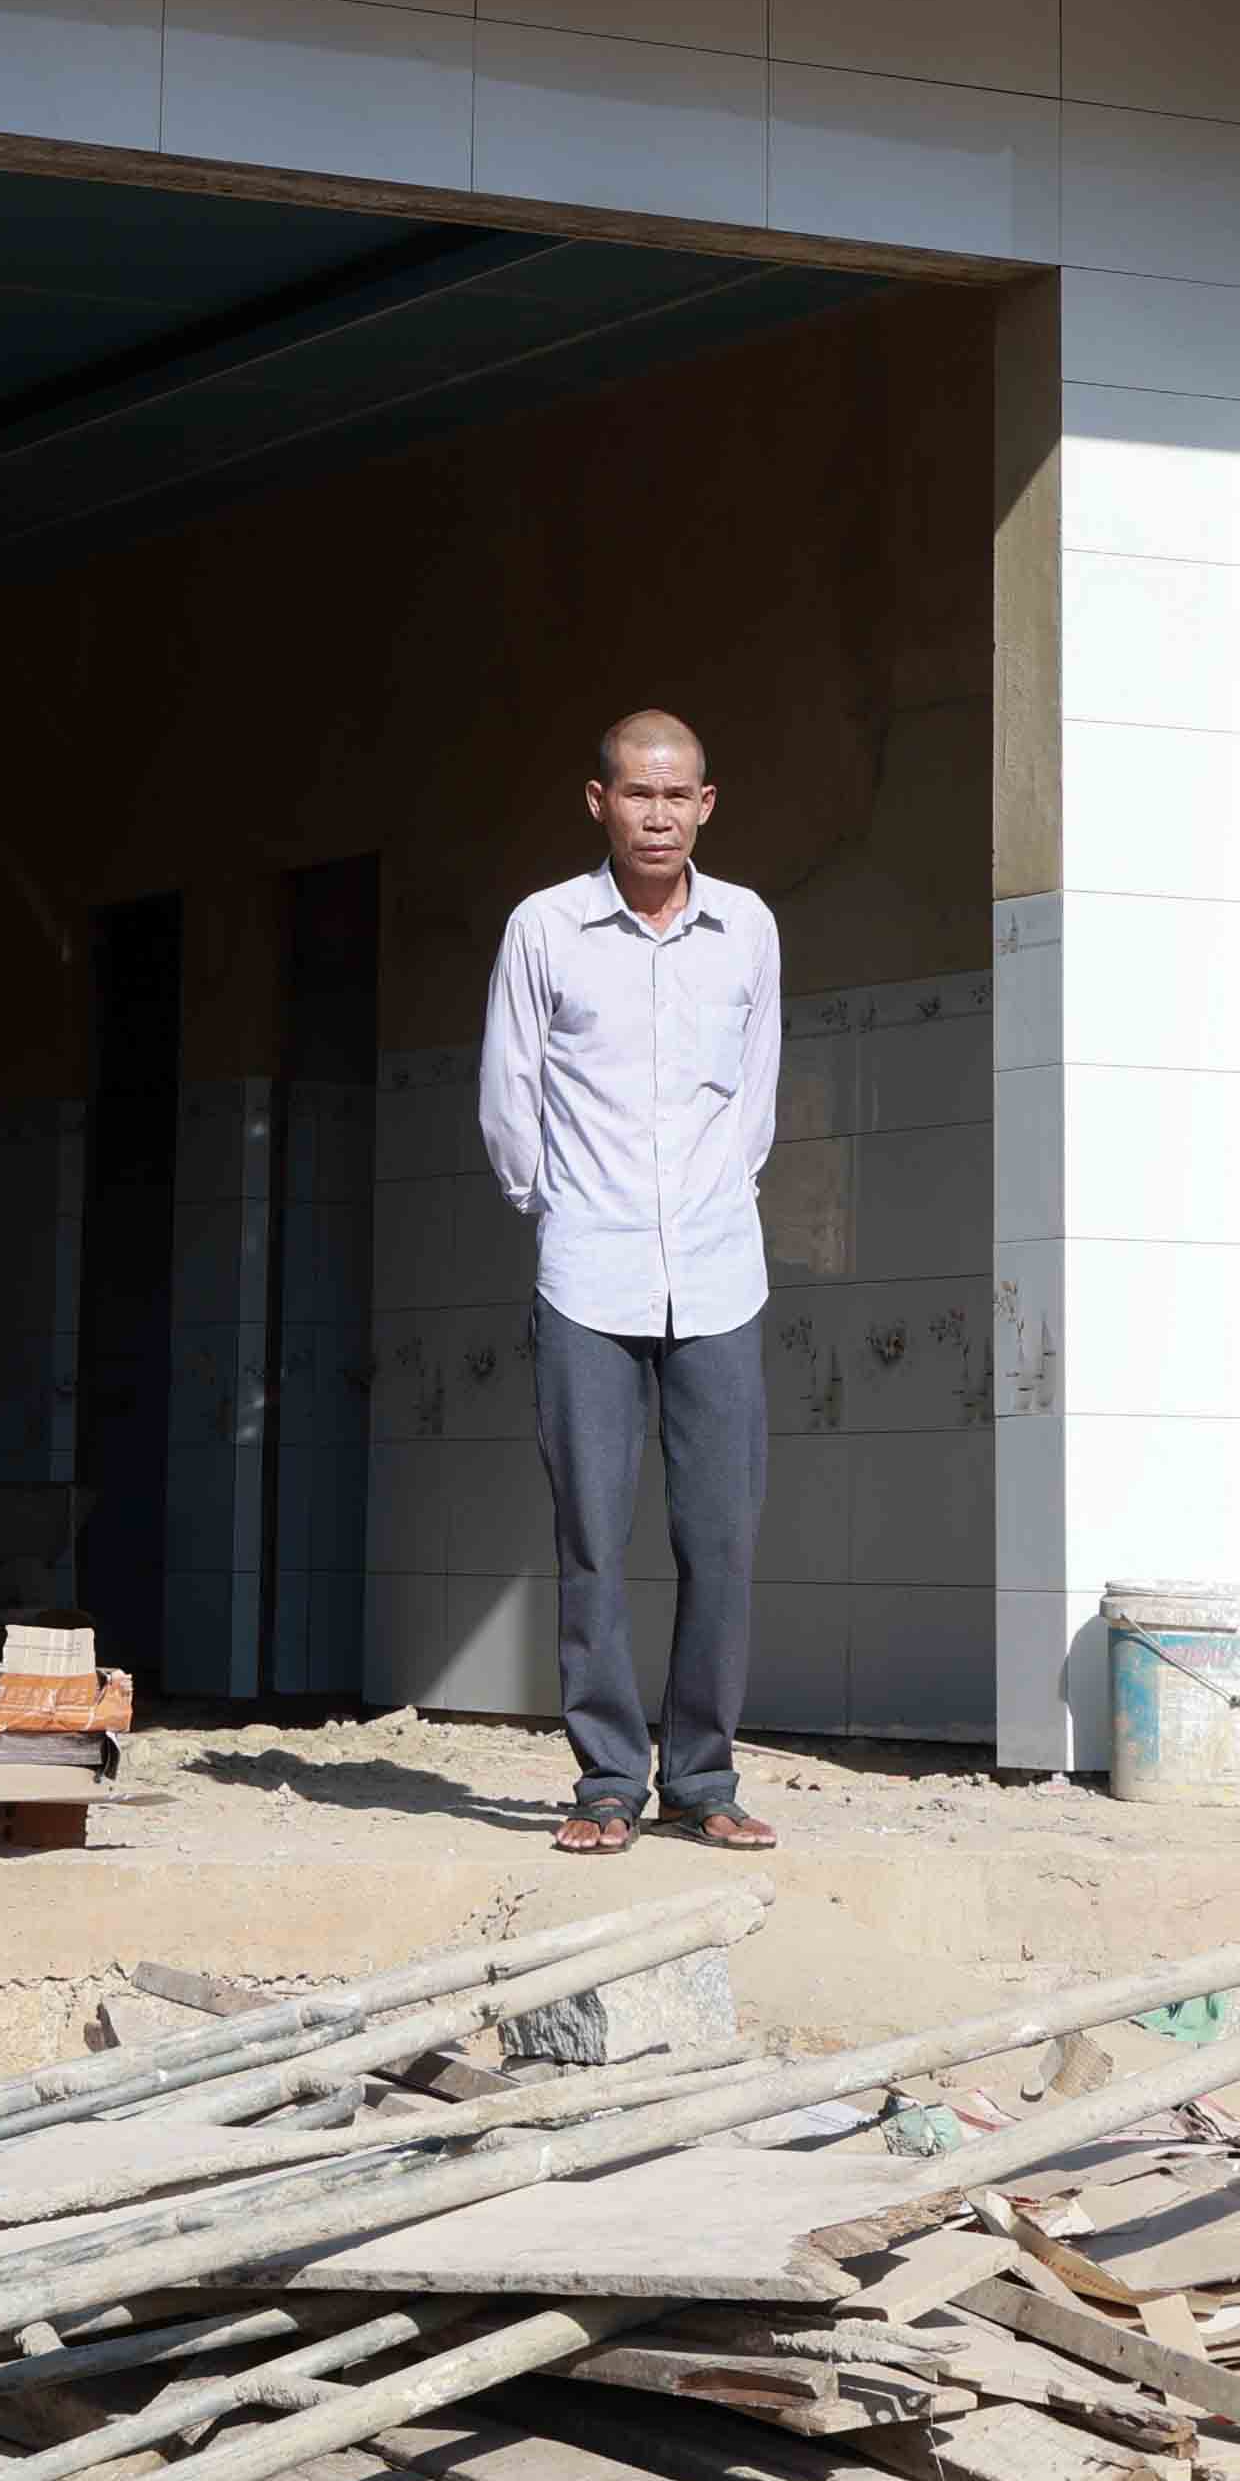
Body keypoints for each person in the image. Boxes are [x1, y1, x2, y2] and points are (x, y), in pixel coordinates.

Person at [476, 706, 783, 1855]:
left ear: (707, 804)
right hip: (588, 1278)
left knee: (722, 1539)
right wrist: (557, 1209)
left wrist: (716, 1201)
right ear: (599, 801)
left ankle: (702, 1777)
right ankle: (608, 1779)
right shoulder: (545, 928)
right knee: (593, 1539)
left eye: (678, 794)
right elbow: (509, 1097)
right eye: (638, 793)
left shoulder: (747, 927)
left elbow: (755, 1100)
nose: (659, 815)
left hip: (719, 1276)